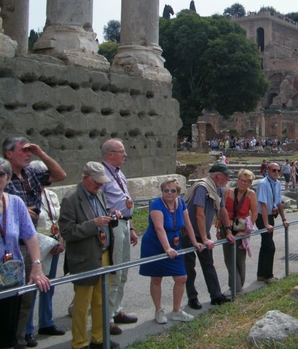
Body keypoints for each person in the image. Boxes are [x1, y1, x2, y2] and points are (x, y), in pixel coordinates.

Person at [2, 136, 66, 349]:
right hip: (9, 244)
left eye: (30, 150)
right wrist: (20, 213)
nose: (28, 154)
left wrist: (41, 153)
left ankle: (19, 338)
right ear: (8, 153)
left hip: (29, 243)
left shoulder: (31, 173)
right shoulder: (5, 177)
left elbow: (60, 174)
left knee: (26, 296)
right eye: (24, 150)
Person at [58, 162, 121, 349]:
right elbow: (67, 231)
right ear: (86, 178)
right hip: (84, 258)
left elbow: (102, 215)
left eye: (102, 183)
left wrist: (112, 215)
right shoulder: (70, 199)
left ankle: (99, 338)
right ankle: (79, 342)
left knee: (101, 301)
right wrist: (93, 223)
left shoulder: (99, 194)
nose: (100, 186)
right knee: (82, 304)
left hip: (104, 254)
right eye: (97, 183)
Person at [0, 158, 51, 349]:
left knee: (9, 327)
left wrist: (37, 266)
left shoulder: (15, 202)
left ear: (7, 178)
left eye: (1, 174)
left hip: (11, 274)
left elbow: (30, 236)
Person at [139, 179, 204, 324]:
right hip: (155, 244)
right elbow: (159, 228)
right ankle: (158, 310)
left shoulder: (180, 203)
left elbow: (187, 223)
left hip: (175, 243)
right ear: (162, 192)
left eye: (172, 190)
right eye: (166, 190)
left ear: (178, 193)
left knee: (181, 278)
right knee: (156, 278)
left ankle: (176, 311)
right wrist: (167, 248)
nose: (169, 193)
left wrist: (195, 242)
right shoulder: (156, 204)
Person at [100, 139, 138, 335]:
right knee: (114, 273)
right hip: (112, 226)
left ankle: (117, 310)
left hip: (124, 223)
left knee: (122, 271)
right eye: (121, 152)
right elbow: (99, 203)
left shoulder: (118, 172)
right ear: (109, 154)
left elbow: (124, 200)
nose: (125, 155)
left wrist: (131, 227)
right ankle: (106, 319)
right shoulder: (102, 174)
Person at [25, 161, 66, 340]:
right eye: (40, 173)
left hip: (53, 244)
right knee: (31, 287)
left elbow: (58, 221)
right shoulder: (26, 197)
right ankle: (26, 330)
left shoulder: (51, 195)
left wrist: (60, 241)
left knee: (49, 285)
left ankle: (46, 322)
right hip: (37, 245)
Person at [183, 162, 232, 309]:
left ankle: (216, 295)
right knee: (189, 268)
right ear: (217, 177)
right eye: (226, 177)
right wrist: (204, 238)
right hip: (189, 233)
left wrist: (228, 230)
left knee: (208, 264)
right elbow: (199, 214)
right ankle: (192, 298)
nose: (228, 179)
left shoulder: (217, 189)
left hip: (203, 232)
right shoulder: (202, 188)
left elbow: (222, 210)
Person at [221, 169, 258, 295]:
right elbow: (222, 210)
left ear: (250, 183)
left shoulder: (251, 194)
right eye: (241, 180)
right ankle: (234, 286)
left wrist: (247, 230)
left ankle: (238, 285)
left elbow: (254, 213)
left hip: (241, 227)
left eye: (246, 181)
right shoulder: (228, 192)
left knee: (240, 259)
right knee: (228, 258)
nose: (243, 183)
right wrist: (219, 228)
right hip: (227, 226)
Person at [255, 162, 289, 284]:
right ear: (268, 171)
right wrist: (266, 224)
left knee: (265, 245)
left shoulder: (278, 183)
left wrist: (284, 219)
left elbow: (279, 202)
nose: (276, 173)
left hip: (270, 216)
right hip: (261, 217)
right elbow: (263, 204)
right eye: (273, 170)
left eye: (278, 170)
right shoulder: (263, 183)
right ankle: (268, 276)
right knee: (270, 247)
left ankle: (260, 274)